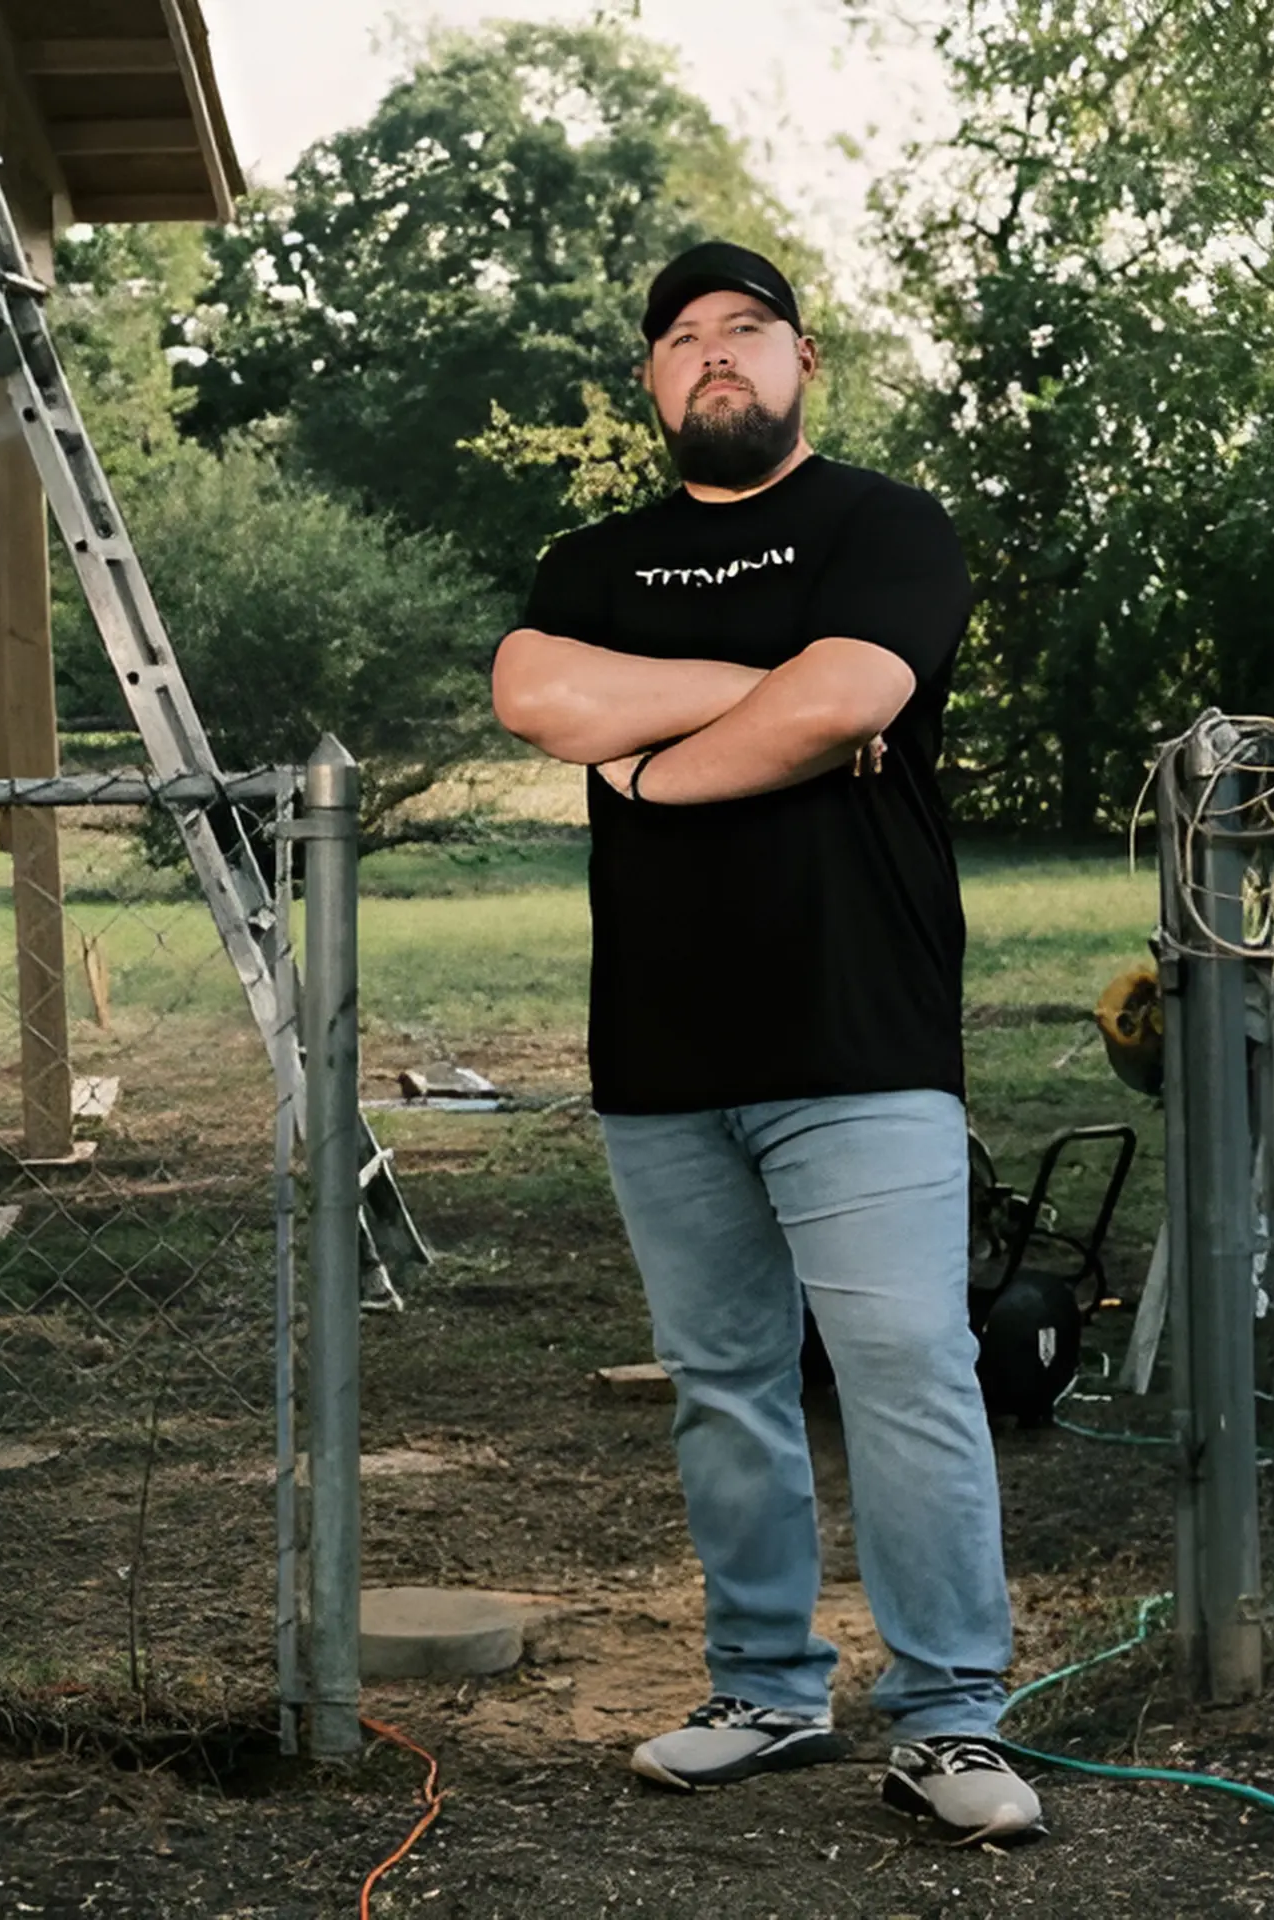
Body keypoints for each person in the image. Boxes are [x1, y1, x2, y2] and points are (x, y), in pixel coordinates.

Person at [492, 241, 1042, 1845]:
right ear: (653, 383)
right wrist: (767, 688)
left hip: (858, 1038)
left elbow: (851, 691)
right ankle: (768, 1692)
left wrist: (658, 762)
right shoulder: (592, 554)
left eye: (746, 330)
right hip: (661, 1053)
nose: (714, 355)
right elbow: (539, 697)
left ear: (803, 361)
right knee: (724, 1382)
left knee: (909, 1368)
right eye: (682, 340)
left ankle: (948, 1718)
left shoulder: (886, 525)